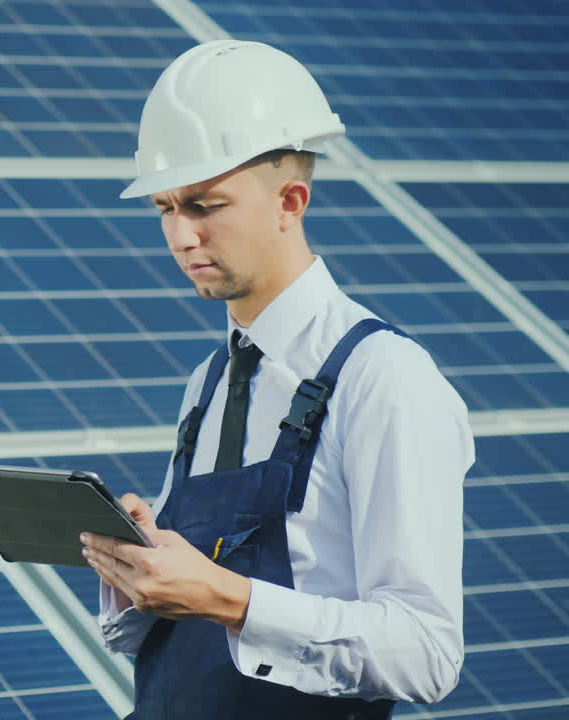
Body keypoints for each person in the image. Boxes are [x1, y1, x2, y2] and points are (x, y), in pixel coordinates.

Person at [79, 40, 473, 719]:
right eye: (165, 209)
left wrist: (225, 597)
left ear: (290, 201)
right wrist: (137, 572)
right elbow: (179, 633)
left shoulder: (384, 379)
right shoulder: (209, 380)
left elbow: (426, 653)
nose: (180, 237)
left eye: (204, 205)